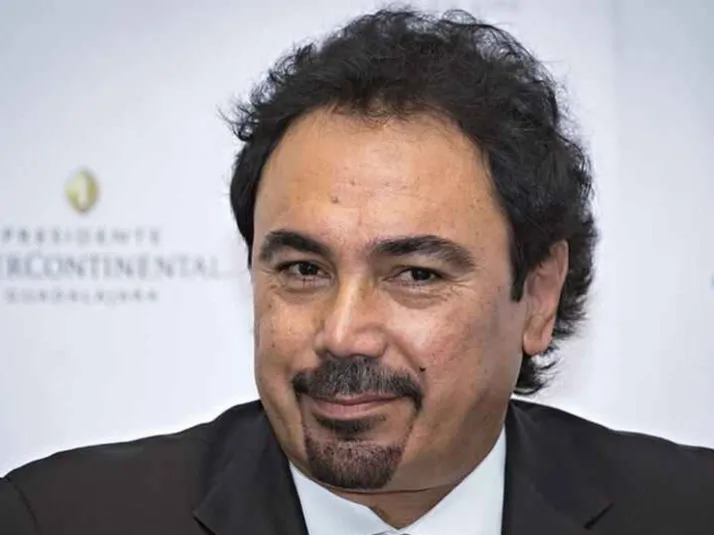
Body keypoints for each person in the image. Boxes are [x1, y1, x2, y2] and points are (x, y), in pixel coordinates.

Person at [2, 7, 713, 535]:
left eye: (416, 274)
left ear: (538, 295)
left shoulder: (688, 510)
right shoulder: (58, 518)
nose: (342, 334)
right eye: (303, 268)